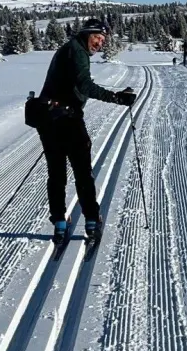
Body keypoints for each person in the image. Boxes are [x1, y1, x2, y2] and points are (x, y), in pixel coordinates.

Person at [37, 18, 136, 243]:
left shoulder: (69, 50)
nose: (100, 43)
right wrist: (117, 97)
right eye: (97, 38)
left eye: (102, 40)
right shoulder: (77, 51)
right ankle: (92, 222)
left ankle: (60, 224)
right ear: (86, 34)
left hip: (47, 118)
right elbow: (85, 85)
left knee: (57, 173)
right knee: (82, 172)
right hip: (67, 119)